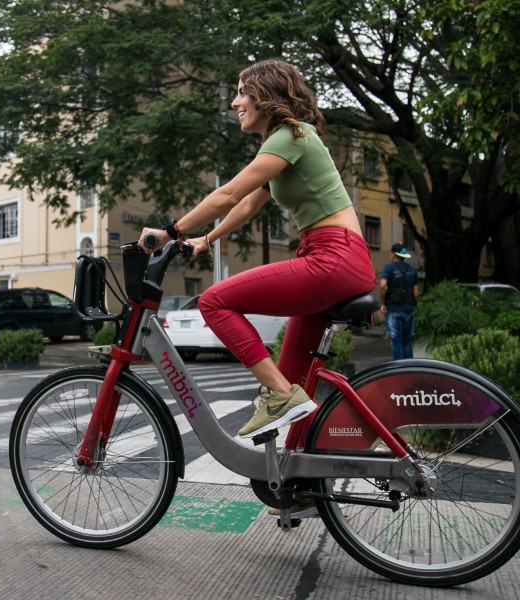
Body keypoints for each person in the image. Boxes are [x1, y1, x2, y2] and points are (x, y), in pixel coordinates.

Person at [140, 58, 376, 442]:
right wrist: (207, 239)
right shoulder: (284, 145)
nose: (234, 103)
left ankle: (280, 397)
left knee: (215, 301)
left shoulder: (291, 135)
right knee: (294, 381)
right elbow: (247, 202)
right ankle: (299, 489)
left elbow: (228, 192)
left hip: (334, 257)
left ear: (265, 95)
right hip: (333, 257)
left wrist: (171, 231)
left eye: (241, 92)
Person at [378, 243, 419, 360]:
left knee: (397, 342)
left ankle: (399, 372)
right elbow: (416, 293)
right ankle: (409, 370)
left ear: (393, 255)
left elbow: (382, 286)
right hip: (409, 309)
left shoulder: (389, 268)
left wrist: (383, 304)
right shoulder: (412, 270)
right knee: (407, 341)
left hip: (394, 309)